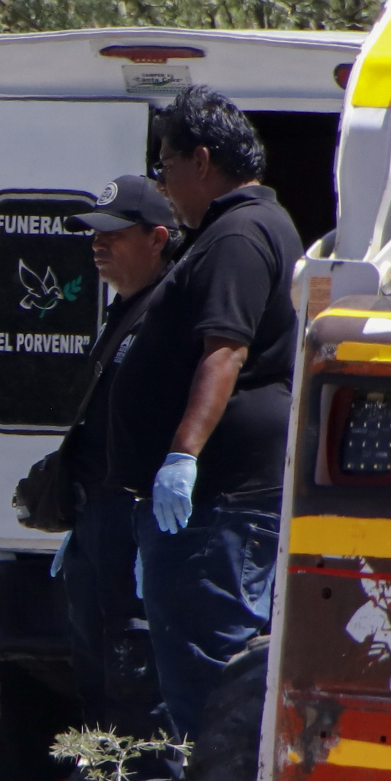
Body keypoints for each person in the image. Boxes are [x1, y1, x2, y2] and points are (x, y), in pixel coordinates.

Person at [106, 87, 302, 737]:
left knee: (212, 673)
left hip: (218, 497)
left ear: (199, 159)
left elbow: (223, 352)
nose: (161, 184)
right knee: (199, 668)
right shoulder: (226, 230)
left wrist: (181, 456)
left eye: (163, 167)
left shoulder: (238, 236)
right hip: (211, 504)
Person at [29, 174, 176, 744]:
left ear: (158, 238)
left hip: (134, 515)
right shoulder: (124, 309)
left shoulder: (170, 309)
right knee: (94, 659)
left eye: (113, 233)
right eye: (93, 233)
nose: (98, 243)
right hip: (96, 514)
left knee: (135, 661)